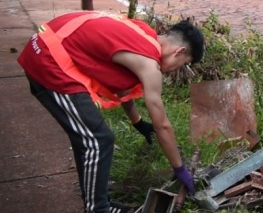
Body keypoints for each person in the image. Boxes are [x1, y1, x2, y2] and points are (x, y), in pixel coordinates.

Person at [17, 11, 204, 213]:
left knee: (89, 139)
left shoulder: (143, 33)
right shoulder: (150, 65)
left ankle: (100, 202)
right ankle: (98, 209)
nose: (176, 69)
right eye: (183, 64)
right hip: (48, 61)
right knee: (98, 140)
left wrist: (138, 122)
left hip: (46, 43)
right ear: (179, 51)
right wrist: (179, 168)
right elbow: (162, 124)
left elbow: (122, 88)